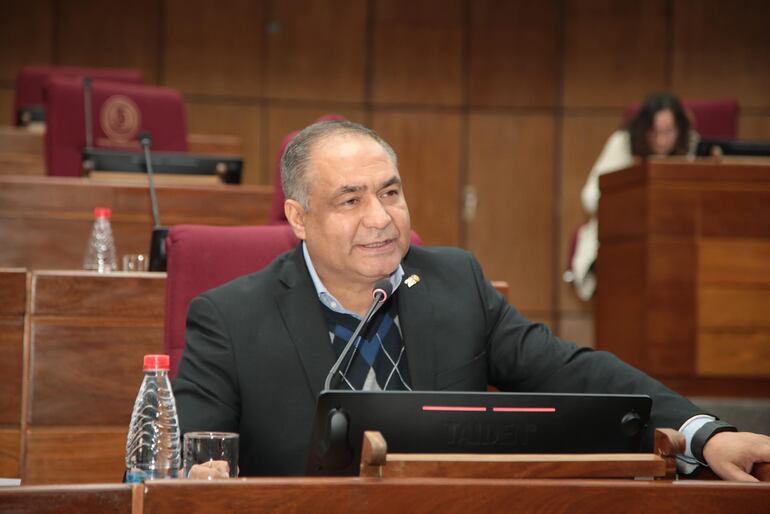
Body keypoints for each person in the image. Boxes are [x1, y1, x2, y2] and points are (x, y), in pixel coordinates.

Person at [174, 120, 770, 480]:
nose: (381, 219)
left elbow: (572, 373)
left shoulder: (455, 283)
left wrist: (702, 434)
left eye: (390, 192)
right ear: (299, 219)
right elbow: (191, 461)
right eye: (350, 200)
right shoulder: (229, 319)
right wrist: (198, 473)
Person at [568, 93, 699, 301]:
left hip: (674, 241)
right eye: (654, 132)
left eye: (669, 132)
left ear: (680, 130)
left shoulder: (691, 145)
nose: (662, 140)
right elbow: (590, 198)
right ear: (643, 129)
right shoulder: (623, 143)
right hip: (623, 238)